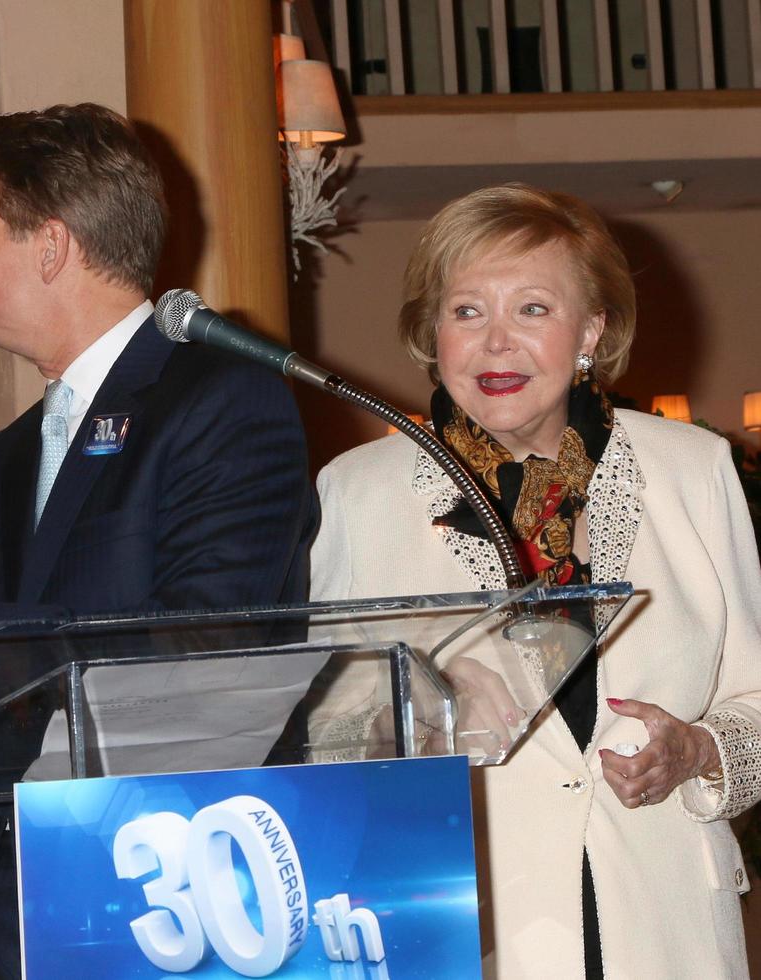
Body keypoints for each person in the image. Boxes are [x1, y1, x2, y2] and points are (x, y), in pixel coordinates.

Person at [0, 103, 319, 980]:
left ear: (50, 246)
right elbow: (24, 713)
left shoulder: (222, 399)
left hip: (163, 902)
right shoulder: (12, 455)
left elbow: (209, 647)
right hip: (8, 911)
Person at [309, 184, 761, 977]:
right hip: (467, 928)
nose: (495, 344)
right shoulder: (359, 491)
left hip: (665, 926)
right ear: (433, 333)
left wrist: (696, 748)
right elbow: (319, 737)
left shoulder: (695, 470)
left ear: (592, 330)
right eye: (467, 311)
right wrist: (416, 715)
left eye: (533, 310)